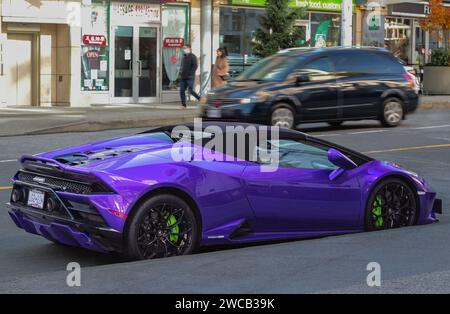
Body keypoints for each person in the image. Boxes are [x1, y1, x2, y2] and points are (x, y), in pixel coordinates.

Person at [179, 45, 201, 109]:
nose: (184, 49)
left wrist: (190, 74)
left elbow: (195, 66)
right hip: (183, 77)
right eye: (183, 48)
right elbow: (182, 67)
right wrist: (181, 72)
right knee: (181, 90)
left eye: (185, 48)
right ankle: (183, 105)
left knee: (190, 91)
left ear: (189, 49)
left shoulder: (193, 56)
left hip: (190, 77)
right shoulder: (184, 57)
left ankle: (199, 98)